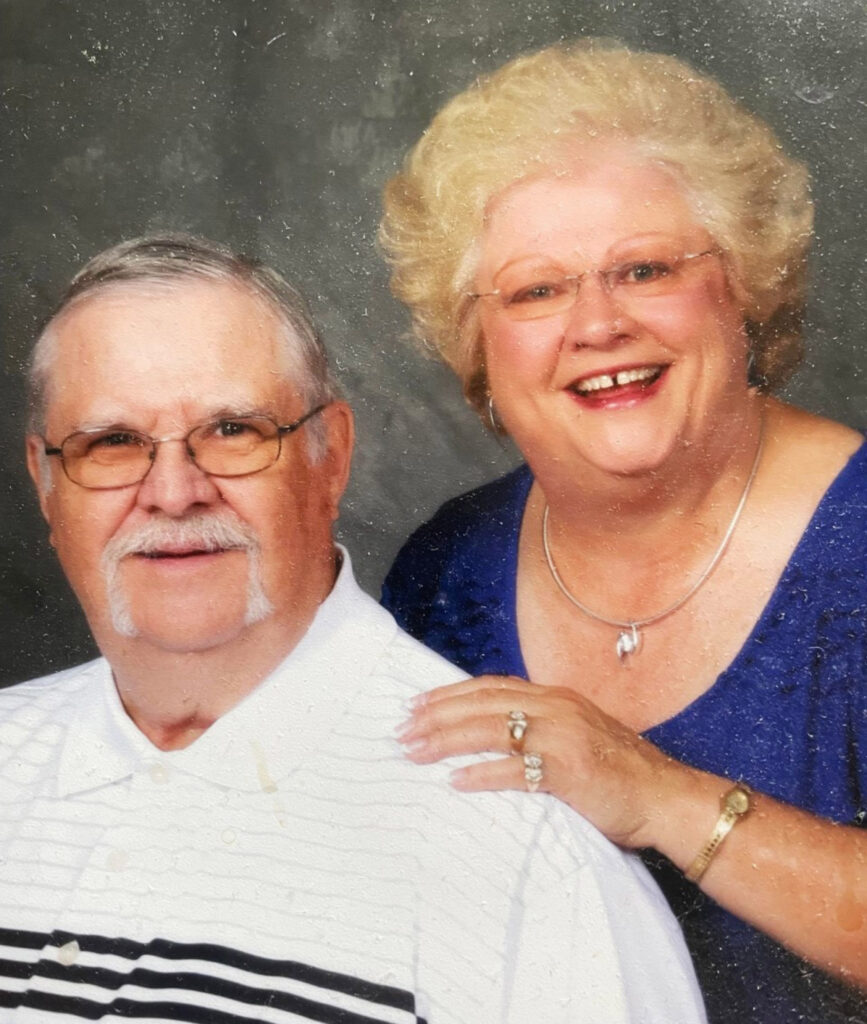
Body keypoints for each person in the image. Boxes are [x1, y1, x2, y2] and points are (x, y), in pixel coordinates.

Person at [0, 235, 705, 1023]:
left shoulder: (523, 848)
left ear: (328, 456)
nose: (173, 492)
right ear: (45, 481)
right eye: (113, 443)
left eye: (233, 430)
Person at [379, 40, 867, 1024]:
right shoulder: (444, 573)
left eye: (643, 268)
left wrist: (661, 799)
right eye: (535, 289)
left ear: (743, 286)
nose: (596, 324)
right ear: (479, 345)